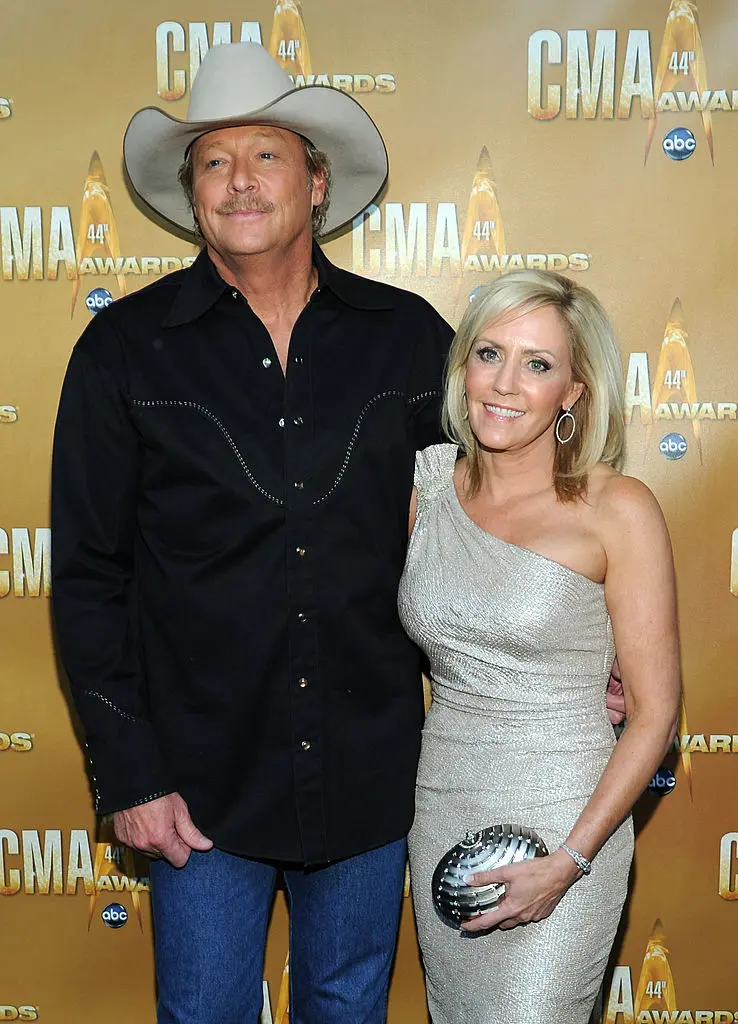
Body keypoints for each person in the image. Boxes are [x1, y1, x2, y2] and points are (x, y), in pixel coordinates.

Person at [51, 42, 453, 1024]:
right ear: (192, 195)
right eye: (213, 162)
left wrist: (584, 653)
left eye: (265, 156)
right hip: (197, 784)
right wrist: (130, 774)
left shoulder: (408, 340)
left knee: (347, 1007)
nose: (239, 181)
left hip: (368, 767)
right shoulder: (121, 350)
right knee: (202, 1014)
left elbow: (492, 519)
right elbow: (91, 578)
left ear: (316, 182)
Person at [399, 270, 681, 1024]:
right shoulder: (426, 490)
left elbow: (654, 717)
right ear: (462, 366)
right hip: (443, 807)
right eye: (489, 353)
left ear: (574, 393)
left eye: (538, 364)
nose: (505, 383)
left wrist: (570, 861)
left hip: (567, 815)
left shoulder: (616, 508)